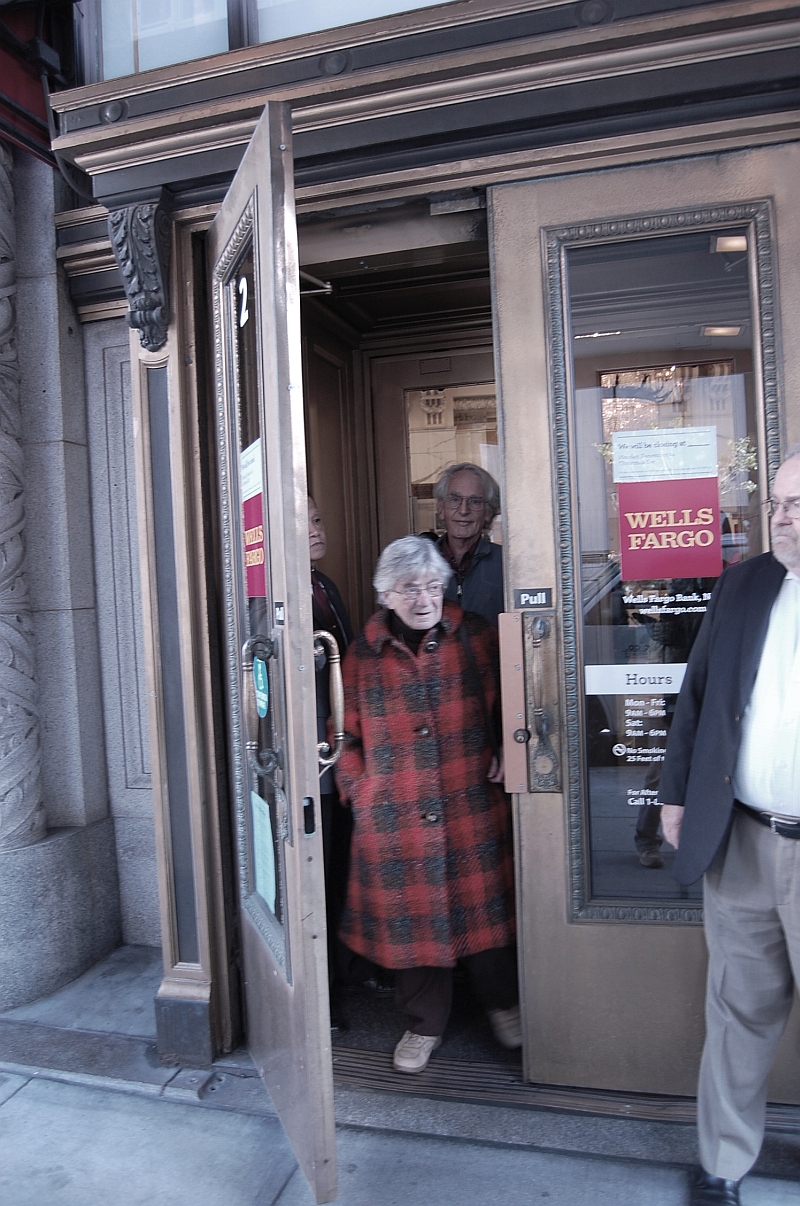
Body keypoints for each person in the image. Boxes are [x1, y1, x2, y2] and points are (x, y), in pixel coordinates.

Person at [659, 447, 800, 1206]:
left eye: (797, 504)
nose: (781, 518)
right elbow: (699, 695)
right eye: (776, 504)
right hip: (742, 839)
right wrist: (676, 796)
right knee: (738, 1011)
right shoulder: (744, 585)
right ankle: (723, 1164)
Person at [334, 535, 520, 1073]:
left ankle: (503, 1005)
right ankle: (424, 1024)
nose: (424, 599)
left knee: (488, 918)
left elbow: (519, 702)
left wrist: (510, 749)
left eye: (432, 586)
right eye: (410, 588)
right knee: (413, 928)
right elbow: (343, 736)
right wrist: (361, 792)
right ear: (386, 596)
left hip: (470, 801)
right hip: (395, 812)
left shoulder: (477, 635)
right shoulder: (361, 655)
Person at [308, 497, 354, 1030]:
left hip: (340, 754)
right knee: (316, 877)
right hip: (309, 763)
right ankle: (322, 996)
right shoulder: (274, 597)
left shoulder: (326, 586)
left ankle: (346, 971)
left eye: (319, 518)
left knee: (341, 867)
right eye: (304, 522)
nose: (317, 529)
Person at [433, 462, 504, 626]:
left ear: (488, 512)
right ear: (441, 509)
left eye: (475, 501)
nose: (464, 510)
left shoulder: (506, 564)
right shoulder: (420, 564)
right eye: (455, 499)